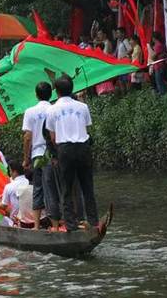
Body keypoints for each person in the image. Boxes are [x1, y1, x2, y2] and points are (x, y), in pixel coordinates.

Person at [45, 76, 98, 232]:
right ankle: (94, 222)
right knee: (87, 186)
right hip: (83, 147)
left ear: (57, 91)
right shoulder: (83, 107)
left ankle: (71, 225)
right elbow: (86, 129)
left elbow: (53, 138)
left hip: (65, 149)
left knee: (66, 189)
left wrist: (60, 152)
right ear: (71, 89)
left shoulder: (52, 109)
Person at [22, 82, 53, 229]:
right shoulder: (54, 109)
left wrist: (26, 158)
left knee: (38, 188)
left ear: (36, 95)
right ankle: (56, 224)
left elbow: (28, 136)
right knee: (53, 188)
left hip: (36, 155)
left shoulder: (30, 111)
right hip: (52, 155)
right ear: (50, 94)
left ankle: (36, 226)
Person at [0, 160, 29, 226]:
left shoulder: (9, 187)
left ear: (15, 172)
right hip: (34, 218)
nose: (9, 173)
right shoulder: (28, 181)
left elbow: (3, 206)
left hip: (19, 221)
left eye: (10, 171)